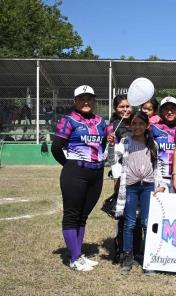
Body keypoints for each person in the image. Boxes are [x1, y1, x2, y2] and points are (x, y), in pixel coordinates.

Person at [51, 85, 107, 272]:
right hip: (75, 171)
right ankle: (74, 258)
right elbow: (56, 147)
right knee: (72, 215)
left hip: (96, 173)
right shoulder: (68, 120)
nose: (86, 101)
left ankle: (78, 254)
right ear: (75, 101)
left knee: (83, 216)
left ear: (94, 100)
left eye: (89, 98)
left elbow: (103, 145)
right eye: (82, 98)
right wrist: (70, 165)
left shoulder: (101, 122)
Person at [107, 111, 169, 275]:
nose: (137, 127)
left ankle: (149, 259)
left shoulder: (152, 144)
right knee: (129, 223)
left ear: (147, 126)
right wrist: (111, 145)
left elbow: (159, 167)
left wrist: (161, 184)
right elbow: (111, 160)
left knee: (147, 223)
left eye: (141, 124)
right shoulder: (125, 142)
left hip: (148, 187)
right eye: (134, 124)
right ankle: (127, 258)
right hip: (130, 188)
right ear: (129, 125)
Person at [104, 94, 138, 264]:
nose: (125, 109)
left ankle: (136, 248)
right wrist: (116, 177)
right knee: (123, 214)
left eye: (128, 106)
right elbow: (111, 158)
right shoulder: (112, 128)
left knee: (137, 214)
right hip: (121, 176)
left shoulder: (138, 123)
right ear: (115, 109)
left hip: (137, 174)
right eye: (121, 107)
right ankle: (120, 250)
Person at [150, 96, 176, 192]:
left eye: (173, 108)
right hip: (160, 178)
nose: (170, 112)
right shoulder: (154, 128)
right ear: (161, 111)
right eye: (166, 109)